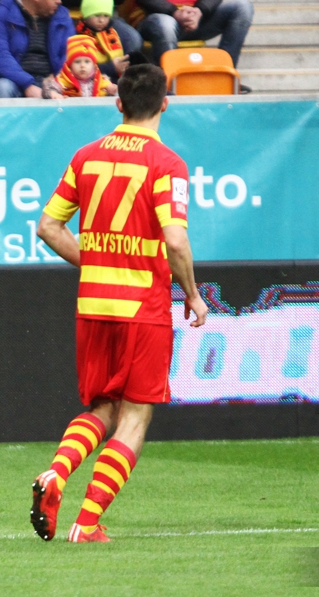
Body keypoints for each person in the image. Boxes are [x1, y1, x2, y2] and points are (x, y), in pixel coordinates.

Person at [32, 63, 207, 543]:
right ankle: (86, 524)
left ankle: (55, 473)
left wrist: (94, 262)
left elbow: (47, 227)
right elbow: (175, 240)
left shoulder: (86, 156)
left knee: (102, 407)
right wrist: (192, 294)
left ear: (118, 104)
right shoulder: (167, 164)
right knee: (134, 417)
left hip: (93, 304)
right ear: (164, 104)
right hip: (142, 308)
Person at [122, 0, 252, 71]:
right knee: (166, 23)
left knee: (242, 7)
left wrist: (200, 10)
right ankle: (168, 83)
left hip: (196, 18)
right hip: (154, 18)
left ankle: (226, 75)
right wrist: (174, 12)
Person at [0, 0, 73, 98]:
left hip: (51, 82)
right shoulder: (1, 12)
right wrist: (27, 85)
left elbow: (70, 53)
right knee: (2, 87)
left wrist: (56, 78)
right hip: (13, 81)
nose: (59, 1)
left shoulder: (62, 16)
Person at [74, 0, 131, 80]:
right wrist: (112, 67)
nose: (101, 20)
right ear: (86, 16)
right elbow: (81, 69)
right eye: (97, 15)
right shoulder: (79, 37)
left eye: (106, 16)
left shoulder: (111, 33)